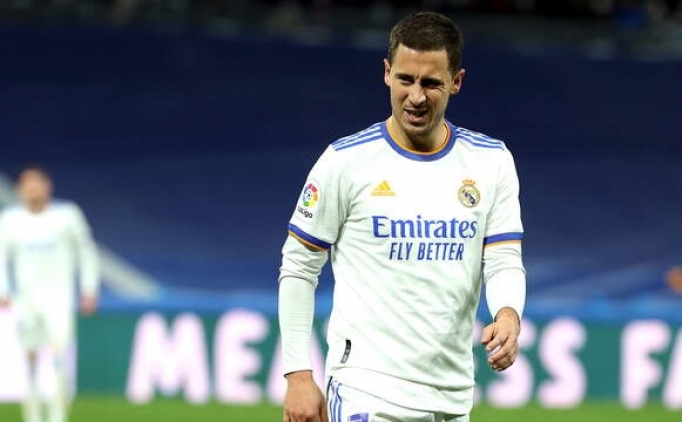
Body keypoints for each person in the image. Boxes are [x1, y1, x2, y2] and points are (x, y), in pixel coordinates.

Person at [278, 11, 526, 422]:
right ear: (386, 73)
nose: (416, 96)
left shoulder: (491, 161)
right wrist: (298, 374)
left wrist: (507, 313)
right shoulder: (345, 161)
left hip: (452, 395)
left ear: (456, 82)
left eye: (431, 83)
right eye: (405, 79)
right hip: (367, 390)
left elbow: (502, 259)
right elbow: (299, 266)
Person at [0, 165, 100, 422]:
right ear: (20, 190)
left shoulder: (67, 216)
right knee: (30, 358)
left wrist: (89, 289)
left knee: (59, 357)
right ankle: (32, 415)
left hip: (59, 299)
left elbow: (86, 251)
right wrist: (3, 289)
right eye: (27, 186)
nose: (32, 190)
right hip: (26, 301)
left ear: (48, 187)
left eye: (37, 184)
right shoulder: (10, 220)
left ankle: (57, 415)